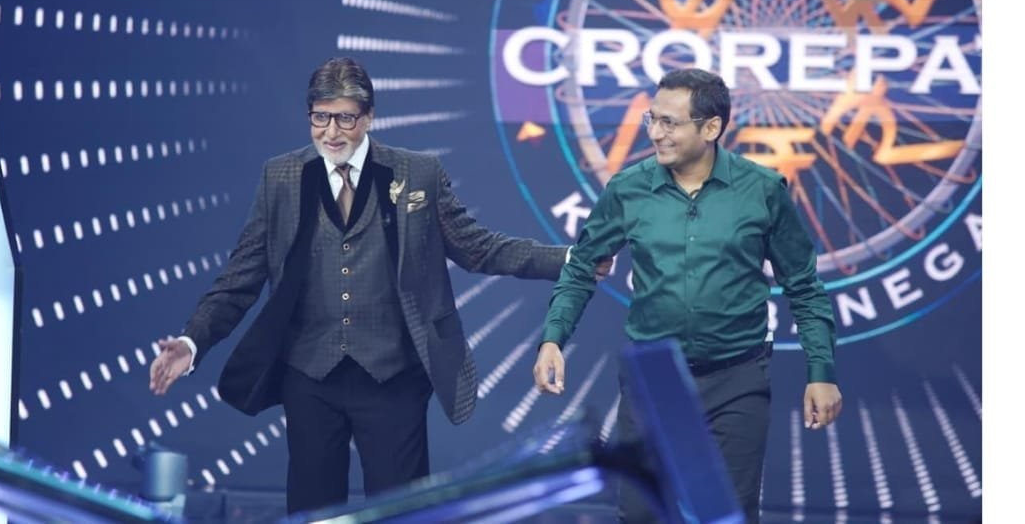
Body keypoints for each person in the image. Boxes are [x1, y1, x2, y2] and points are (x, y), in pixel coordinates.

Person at [149, 56, 607, 515]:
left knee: (400, 513)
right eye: (320, 118)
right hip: (309, 377)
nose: (331, 132)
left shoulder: (417, 173)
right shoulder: (282, 177)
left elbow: (478, 248)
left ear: (369, 117)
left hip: (394, 377)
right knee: (313, 513)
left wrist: (571, 259)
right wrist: (192, 341)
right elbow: (240, 276)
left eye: (345, 118)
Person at [532, 68, 842, 524]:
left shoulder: (762, 190)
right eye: (652, 119)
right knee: (639, 515)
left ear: (711, 127)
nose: (656, 133)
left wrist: (821, 372)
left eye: (669, 123)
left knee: (728, 517)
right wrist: (552, 338)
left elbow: (805, 287)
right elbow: (581, 268)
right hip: (653, 381)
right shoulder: (627, 189)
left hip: (738, 380)